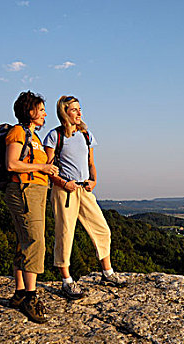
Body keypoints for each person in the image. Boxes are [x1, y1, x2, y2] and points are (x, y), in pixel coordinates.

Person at [44, 95, 125, 300]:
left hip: (84, 190)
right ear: (64, 112)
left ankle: (107, 273)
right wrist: (64, 183)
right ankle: (67, 281)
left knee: (102, 229)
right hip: (64, 191)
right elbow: (49, 169)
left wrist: (94, 180)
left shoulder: (86, 135)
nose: (79, 113)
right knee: (65, 234)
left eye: (80, 109)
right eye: (74, 109)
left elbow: (91, 162)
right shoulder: (54, 136)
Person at [5, 91, 58, 323]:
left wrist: (47, 168)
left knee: (25, 239)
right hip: (24, 191)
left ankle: (19, 293)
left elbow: (32, 163)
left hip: (34, 191)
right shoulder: (18, 132)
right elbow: (11, 164)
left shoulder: (34, 137)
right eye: (41, 109)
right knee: (35, 241)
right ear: (30, 112)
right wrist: (42, 168)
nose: (45, 113)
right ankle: (30, 296)